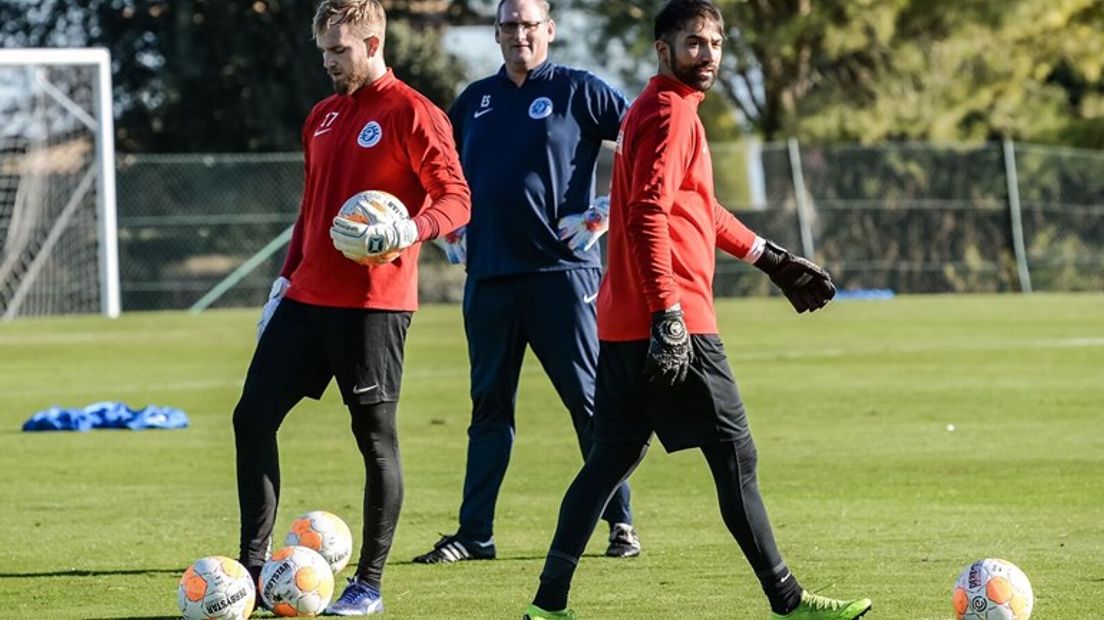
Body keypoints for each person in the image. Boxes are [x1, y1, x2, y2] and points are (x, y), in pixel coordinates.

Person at [522, 1, 873, 619]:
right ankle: (789, 602)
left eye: (714, 43)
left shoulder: (654, 111)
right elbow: (647, 214)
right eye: (693, 43)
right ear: (663, 50)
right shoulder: (670, 113)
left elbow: (697, 209)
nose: (706, 55)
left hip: (624, 325)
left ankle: (548, 606)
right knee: (737, 456)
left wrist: (769, 257)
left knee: (609, 461)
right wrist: (669, 313)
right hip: (673, 321)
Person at [232, 0, 470, 616]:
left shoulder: (414, 112)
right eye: (323, 52)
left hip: (374, 306)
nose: (329, 62)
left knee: (374, 439)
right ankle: (253, 570)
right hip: (306, 299)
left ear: (371, 42)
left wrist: (408, 231)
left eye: (339, 50)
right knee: (250, 418)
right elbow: (310, 214)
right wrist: (281, 283)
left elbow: (456, 199)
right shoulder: (321, 116)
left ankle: (368, 584)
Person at [412, 0, 641, 565]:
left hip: (562, 277)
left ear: (550, 31)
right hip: (489, 277)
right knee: (488, 411)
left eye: (529, 24)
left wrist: (604, 211)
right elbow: (441, 175)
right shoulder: (474, 102)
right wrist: (449, 229)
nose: (520, 33)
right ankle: (475, 535)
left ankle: (621, 525)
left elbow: (649, 143)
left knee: (588, 404)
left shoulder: (579, 90)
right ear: (496, 34)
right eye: (509, 25)